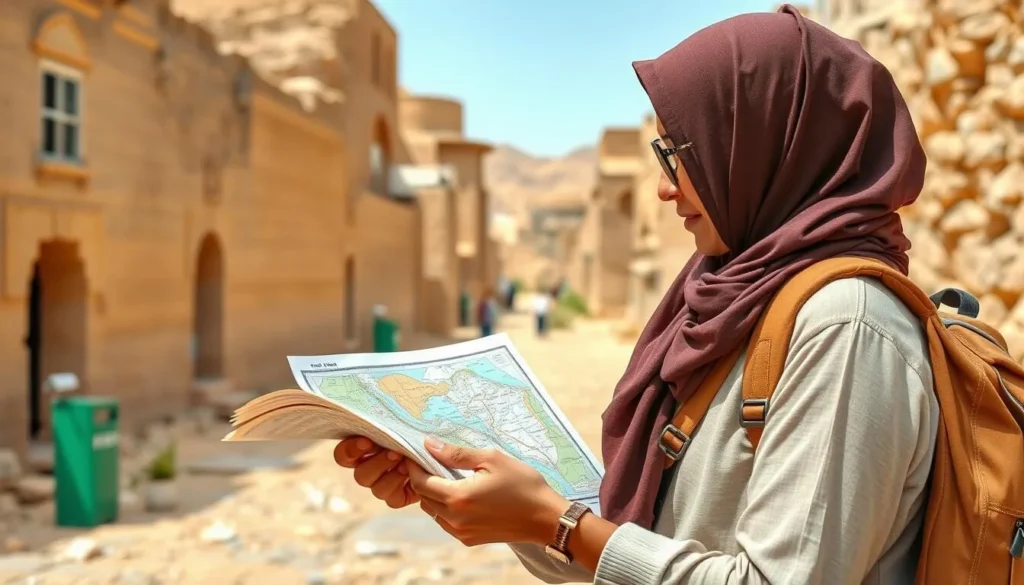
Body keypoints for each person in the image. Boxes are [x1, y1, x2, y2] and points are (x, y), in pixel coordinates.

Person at [331, 6, 935, 584]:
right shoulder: (733, 301)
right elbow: (642, 540)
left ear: (764, 145)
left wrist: (556, 522)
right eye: (663, 154)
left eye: (680, 155)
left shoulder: (844, 325)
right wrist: (476, 492)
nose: (664, 189)